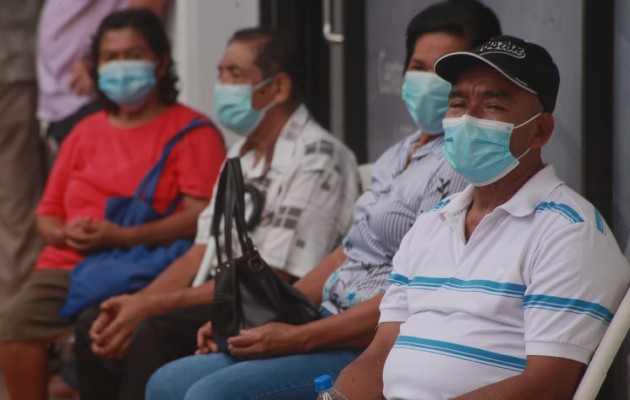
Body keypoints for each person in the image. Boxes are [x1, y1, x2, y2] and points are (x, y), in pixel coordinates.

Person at [144, 2, 500, 399]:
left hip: (371, 344)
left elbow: (415, 294)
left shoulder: (467, 167)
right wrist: (255, 318)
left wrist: (297, 337)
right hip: (322, 320)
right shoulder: (396, 155)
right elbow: (341, 256)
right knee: (166, 382)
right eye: (416, 66)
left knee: (208, 395)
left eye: (440, 70)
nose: (425, 81)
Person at [334, 35, 630, 399]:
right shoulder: (432, 222)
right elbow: (378, 356)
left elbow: (547, 386)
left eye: (492, 106)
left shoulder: (569, 231)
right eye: (458, 103)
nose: (467, 119)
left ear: (540, 131)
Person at [73, 26, 360, 400]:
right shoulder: (241, 152)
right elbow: (200, 249)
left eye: (236, 75)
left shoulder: (318, 158)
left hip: (276, 305)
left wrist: (149, 308)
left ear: (278, 88)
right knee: (97, 321)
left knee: (154, 328)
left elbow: (276, 277)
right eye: (221, 73)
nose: (223, 85)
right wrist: (135, 303)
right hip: (225, 294)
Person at [0, 9, 226, 400]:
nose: (121, 67)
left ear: (161, 64)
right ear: (96, 66)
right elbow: (46, 216)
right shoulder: (85, 130)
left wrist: (124, 235)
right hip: (72, 267)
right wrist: (65, 233)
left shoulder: (193, 131)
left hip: (152, 264)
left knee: (111, 329)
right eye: (111, 57)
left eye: (132, 55)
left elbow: (200, 218)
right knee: (13, 326)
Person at [37, 0, 169, 149]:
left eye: (134, 55)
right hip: (61, 103)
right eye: (112, 57)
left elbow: (141, 18)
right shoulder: (83, 134)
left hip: (93, 98)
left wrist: (95, 63)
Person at [0, 0, 45, 315]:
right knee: (16, 203)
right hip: (14, 63)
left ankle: (14, 322)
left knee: (17, 201)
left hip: (14, 65)